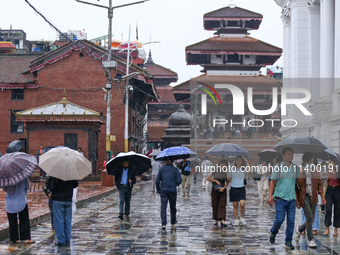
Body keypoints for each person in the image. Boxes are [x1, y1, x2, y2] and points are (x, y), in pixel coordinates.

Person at [268, 147, 298, 250]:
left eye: (292, 154)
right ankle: (273, 232)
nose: (291, 156)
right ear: (283, 156)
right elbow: (272, 182)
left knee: (291, 221)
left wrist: (298, 198)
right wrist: (270, 196)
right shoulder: (278, 167)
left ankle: (288, 241)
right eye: (288, 154)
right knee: (280, 219)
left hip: (292, 198)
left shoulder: (296, 168)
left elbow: (297, 184)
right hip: (280, 198)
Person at [294, 152, 326, 248]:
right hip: (304, 197)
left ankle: (300, 229)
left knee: (310, 219)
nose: (312, 160)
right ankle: (311, 240)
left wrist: (322, 196)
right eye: (312, 158)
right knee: (310, 218)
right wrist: (297, 199)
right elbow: (296, 185)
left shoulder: (315, 169)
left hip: (313, 197)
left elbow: (319, 183)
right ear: (308, 159)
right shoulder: (300, 169)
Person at [47, 177, 78, 246]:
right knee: (67, 220)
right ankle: (67, 239)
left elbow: (50, 186)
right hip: (68, 199)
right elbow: (75, 184)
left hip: (58, 200)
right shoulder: (71, 174)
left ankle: (61, 240)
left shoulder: (55, 174)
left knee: (59, 220)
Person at [3, 178, 35, 244]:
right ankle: (26, 238)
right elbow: (27, 187)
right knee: (24, 220)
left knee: (12, 221)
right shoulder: (23, 176)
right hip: (22, 201)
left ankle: (14, 238)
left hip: (10, 203)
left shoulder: (6, 177)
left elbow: (4, 189)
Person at [156, 158, 182, 229]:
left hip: (163, 190)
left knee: (163, 206)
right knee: (173, 206)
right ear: (173, 161)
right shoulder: (175, 170)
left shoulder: (161, 169)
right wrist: (174, 184)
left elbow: (157, 180)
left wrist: (158, 189)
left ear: (166, 161)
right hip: (172, 190)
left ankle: (163, 223)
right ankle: (173, 220)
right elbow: (179, 180)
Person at [227, 155, 249, 227]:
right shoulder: (232, 169)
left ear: (242, 161)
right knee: (235, 205)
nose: (238, 161)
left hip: (241, 188)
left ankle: (242, 218)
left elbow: (249, 169)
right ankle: (236, 219)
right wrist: (227, 172)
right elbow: (229, 179)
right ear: (235, 161)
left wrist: (246, 160)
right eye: (237, 160)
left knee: (242, 204)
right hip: (234, 187)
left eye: (240, 160)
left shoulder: (243, 168)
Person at [207, 159, 229, 227]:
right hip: (215, 188)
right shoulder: (215, 169)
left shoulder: (226, 171)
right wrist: (215, 181)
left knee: (222, 204)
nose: (223, 166)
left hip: (223, 188)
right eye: (222, 165)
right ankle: (216, 219)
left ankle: (222, 220)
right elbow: (208, 178)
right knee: (215, 203)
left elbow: (228, 181)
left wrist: (227, 173)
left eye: (224, 165)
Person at [323, 156, 340, 236]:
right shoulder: (328, 171)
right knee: (328, 209)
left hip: (337, 190)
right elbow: (326, 181)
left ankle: (336, 230)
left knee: (337, 211)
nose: (329, 164)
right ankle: (327, 228)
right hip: (329, 191)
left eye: (330, 162)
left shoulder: (338, 171)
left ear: (334, 163)